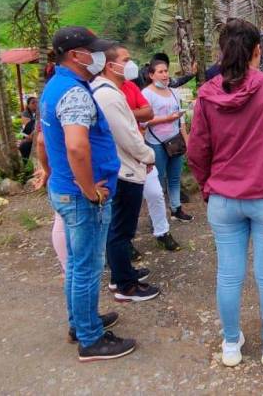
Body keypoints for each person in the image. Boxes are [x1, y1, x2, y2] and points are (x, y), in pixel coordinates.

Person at [188, 19, 263, 368]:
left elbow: (197, 151)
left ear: (221, 53)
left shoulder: (207, 94)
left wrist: (207, 185)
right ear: (258, 50)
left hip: (224, 200)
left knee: (228, 274)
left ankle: (231, 345)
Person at [38, 26, 134, 361]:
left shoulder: (56, 87)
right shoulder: (76, 93)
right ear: (76, 55)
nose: (99, 56)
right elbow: (77, 147)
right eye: (93, 50)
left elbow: (42, 142)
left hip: (64, 189)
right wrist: (89, 190)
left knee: (78, 266)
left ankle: (81, 323)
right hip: (81, 197)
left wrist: (52, 174)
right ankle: (91, 340)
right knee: (88, 266)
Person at [91, 45, 161, 302]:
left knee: (119, 228)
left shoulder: (109, 91)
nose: (131, 64)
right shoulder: (108, 95)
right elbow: (127, 135)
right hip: (125, 170)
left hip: (123, 165)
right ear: (110, 65)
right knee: (121, 230)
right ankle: (125, 285)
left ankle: (121, 273)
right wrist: (148, 156)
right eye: (126, 59)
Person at [120, 78, 181, 251]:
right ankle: (123, 242)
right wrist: (136, 113)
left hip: (141, 149)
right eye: (124, 60)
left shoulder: (130, 86)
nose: (127, 65)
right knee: (124, 200)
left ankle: (162, 232)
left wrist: (126, 113)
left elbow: (148, 113)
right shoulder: (100, 89)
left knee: (155, 193)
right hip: (119, 153)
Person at [143, 60, 193, 222]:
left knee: (174, 177)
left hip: (174, 140)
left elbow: (181, 119)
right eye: (160, 72)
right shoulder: (146, 94)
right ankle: (156, 217)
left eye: (166, 71)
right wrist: (166, 119)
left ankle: (176, 208)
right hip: (156, 142)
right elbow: (143, 121)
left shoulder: (173, 92)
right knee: (157, 181)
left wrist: (186, 138)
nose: (165, 75)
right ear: (151, 75)